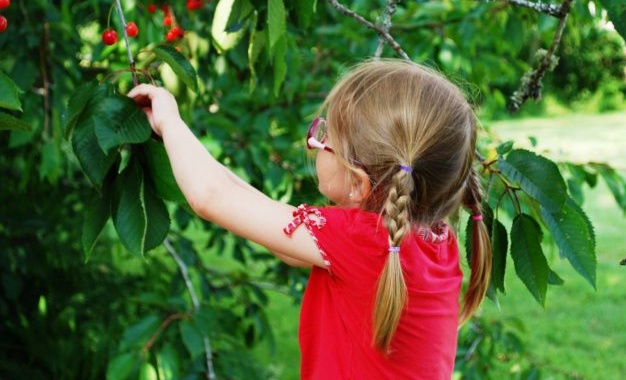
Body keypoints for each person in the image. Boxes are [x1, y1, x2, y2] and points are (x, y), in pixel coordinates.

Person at [128, 59, 492, 379]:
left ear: (358, 183)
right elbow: (249, 211)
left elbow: (210, 197)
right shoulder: (430, 239)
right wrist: (179, 138)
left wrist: (170, 120)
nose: (313, 142)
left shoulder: (359, 240)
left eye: (324, 136)